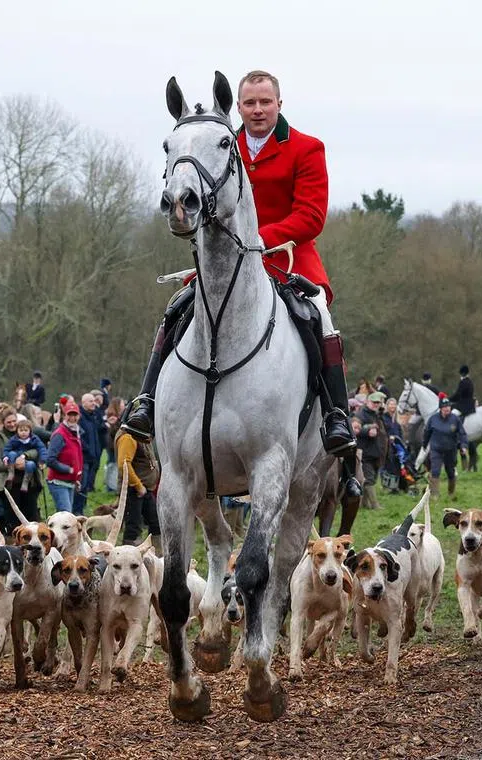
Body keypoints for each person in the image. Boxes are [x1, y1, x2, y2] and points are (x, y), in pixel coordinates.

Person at [121, 69, 360, 496]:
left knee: (319, 314)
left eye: (265, 102)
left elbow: (312, 216)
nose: (257, 110)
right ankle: (146, 403)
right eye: (249, 103)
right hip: (226, 269)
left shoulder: (306, 148)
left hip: (288, 261)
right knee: (176, 308)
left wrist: (257, 242)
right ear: (239, 107)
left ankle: (336, 416)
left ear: (279, 104)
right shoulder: (218, 144)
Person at [115, 412, 161, 548]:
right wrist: (138, 485)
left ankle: (156, 555)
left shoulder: (138, 433)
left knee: (155, 523)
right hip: (135, 489)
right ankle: (128, 557)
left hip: (144, 489)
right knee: (133, 528)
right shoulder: (128, 436)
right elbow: (124, 464)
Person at [420, 395, 468, 501]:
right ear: (440, 408)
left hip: (450, 450)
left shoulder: (455, 419)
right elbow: (427, 433)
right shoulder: (433, 419)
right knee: (435, 471)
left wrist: (464, 446)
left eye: (448, 407)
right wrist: (424, 444)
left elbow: (462, 434)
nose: (447, 409)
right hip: (436, 449)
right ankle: (434, 495)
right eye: (444, 407)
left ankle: (451, 493)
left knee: (450, 472)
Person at [45, 399, 83, 513]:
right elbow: (50, 460)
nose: (72, 418)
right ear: (63, 415)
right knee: (65, 515)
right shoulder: (59, 435)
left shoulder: (76, 433)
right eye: (69, 414)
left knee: (67, 515)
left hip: (70, 482)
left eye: (75, 415)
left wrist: (76, 478)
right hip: (58, 482)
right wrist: (69, 470)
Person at [355, 391, 389, 511]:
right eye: (374, 402)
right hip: (365, 453)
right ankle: (375, 505)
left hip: (375, 453)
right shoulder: (361, 415)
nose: (376, 404)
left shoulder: (376, 415)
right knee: (369, 479)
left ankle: (364, 504)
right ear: (368, 402)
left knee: (372, 478)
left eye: (378, 403)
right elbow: (355, 429)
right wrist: (367, 431)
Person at [75, 393, 105, 517]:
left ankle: (83, 507)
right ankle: (77, 510)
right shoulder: (80, 417)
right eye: (91, 401)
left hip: (93, 457)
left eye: (94, 401)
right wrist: (87, 450)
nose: (94, 403)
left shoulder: (93, 416)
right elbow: (79, 437)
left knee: (87, 485)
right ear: (84, 403)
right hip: (84, 458)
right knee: (81, 485)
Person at [3, 417, 48, 494]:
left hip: (28, 460)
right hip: (16, 458)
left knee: (31, 464)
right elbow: (7, 448)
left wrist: (42, 460)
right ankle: (11, 472)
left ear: (30, 431)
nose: (23, 433)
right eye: (21, 430)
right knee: (11, 453)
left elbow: (42, 449)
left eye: (26, 430)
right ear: (17, 431)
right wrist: (5, 456)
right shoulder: (14, 439)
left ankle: (26, 481)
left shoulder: (34, 439)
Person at [453, 365, 477, 472]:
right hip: (469, 404)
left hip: (464, 406)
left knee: (453, 415)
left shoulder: (463, 382)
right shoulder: (470, 382)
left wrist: (448, 399)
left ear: (461, 374)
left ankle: (457, 432)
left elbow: (458, 395)